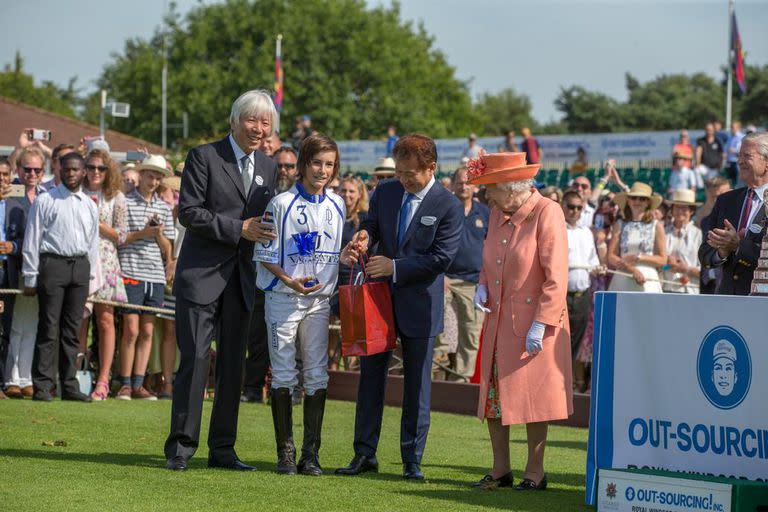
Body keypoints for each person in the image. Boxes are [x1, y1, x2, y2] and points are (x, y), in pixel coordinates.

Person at [336, 134, 463, 481]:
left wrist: (395, 267)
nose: (404, 180)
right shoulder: (386, 192)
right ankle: (364, 453)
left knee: (417, 387)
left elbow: (442, 258)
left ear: (431, 168)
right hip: (378, 303)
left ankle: (412, 459)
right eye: (400, 172)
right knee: (370, 380)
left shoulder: (448, 205)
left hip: (420, 305)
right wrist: (363, 236)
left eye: (411, 174)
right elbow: (373, 226)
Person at [165, 90, 278, 472]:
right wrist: (239, 229)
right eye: (252, 121)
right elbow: (189, 213)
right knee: (195, 362)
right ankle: (181, 448)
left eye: (265, 123)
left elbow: (267, 221)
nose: (258, 129)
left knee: (233, 367)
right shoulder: (204, 156)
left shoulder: (269, 166)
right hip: (201, 277)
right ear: (234, 120)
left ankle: (223, 449)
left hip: (243, 280)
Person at [467, 151, 572, 491]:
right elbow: (489, 256)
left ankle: (535, 472)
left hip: (534, 325)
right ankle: (500, 470)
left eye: (491, 189)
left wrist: (542, 323)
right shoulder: (499, 211)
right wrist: (482, 284)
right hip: (500, 321)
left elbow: (557, 277)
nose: (487, 197)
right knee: (495, 398)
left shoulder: (548, 211)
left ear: (511, 187)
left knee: (535, 401)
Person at [254, 133, 345, 476]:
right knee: (284, 374)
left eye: (330, 165)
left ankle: (311, 455)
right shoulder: (280, 204)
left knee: (317, 373)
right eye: (317, 163)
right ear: (304, 164)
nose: (323, 171)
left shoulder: (338, 204)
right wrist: (291, 281)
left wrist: (349, 253)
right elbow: (263, 254)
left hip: (320, 302)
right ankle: (285, 453)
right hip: (283, 298)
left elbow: (334, 254)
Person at [22, 152, 99, 402]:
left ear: (84, 172)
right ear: (59, 171)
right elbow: (32, 239)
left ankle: (69, 385)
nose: (71, 173)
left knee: (72, 331)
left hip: (80, 267)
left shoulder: (89, 204)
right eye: (67, 169)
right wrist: (30, 277)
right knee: (49, 328)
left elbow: (93, 244)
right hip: (52, 265)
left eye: (76, 169)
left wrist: (92, 279)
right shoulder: (46, 201)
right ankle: (43, 386)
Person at [115, 155, 175, 401]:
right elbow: (120, 238)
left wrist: (157, 235)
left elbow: (168, 249)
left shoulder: (163, 207)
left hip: (155, 275)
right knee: (130, 330)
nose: (154, 181)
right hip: (130, 270)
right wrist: (144, 233)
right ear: (141, 175)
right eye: (150, 175)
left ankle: (139, 384)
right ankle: (125, 384)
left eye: (158, 177)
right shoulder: (125, 202)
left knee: (148, 331)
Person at [79, 149, 128, 400]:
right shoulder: (77, 192)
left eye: (101, 168)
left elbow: (122, 235)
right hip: (80, 260)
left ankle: (103, 379)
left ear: (109, 171)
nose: (96, 172)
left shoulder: (115, 197)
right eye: (91, 166)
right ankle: (74, 374)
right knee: (79, 320)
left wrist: (96, 223)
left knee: (105, 320)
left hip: (107, 260)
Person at [433, 166, 489, 382]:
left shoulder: (485, 212)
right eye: (460, 182)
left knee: (471, 332)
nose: (464, 186)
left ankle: (462, 381)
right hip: (443, 278)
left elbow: (493, 247)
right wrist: (440, 274)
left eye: (468, 182)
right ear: (454, 184)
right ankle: (439, 367)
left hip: (473, 282)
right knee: (435, 324)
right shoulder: (443, 209)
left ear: (475, 185)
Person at [699, 132, 768, 296]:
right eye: (739, 156)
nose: (739, 161)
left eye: (747, 156)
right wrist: (722, 251)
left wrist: (738, 246)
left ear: (766, 163)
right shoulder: (726, 201)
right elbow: (704, 255)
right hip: (727, 300)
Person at [4, 147, 47, 399]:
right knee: (16, 325)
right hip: (15, 267)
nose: (32, 173)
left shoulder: (47, 195)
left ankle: (26, 378)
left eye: (37, 169)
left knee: (32, 325)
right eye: (27, 169)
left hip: (40, 270)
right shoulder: (9, 195)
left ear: (43, 172)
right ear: (18, 169)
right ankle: (11, 378)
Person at [329, 176, 368, 370]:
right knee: (332, 329)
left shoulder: (365, 219)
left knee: (350, 330)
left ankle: (351, 374)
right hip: (331, 276)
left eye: (351, 191)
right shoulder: (332, 215)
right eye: (343, 190)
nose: (347, 195)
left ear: (359, 194)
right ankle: (332, 372)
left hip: (353, 277)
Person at [561, 190, 599, 393]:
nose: (575, 211)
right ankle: (557, 385)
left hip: (582, 295)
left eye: (579, 208)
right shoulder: (557, 230)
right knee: (558, 343)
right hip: (561, 295)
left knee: (575, 343)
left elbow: (593, 260)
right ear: (563, 206)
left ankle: (565, 385)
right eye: (571, 207)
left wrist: (597, 267)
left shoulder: (586, 232)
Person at [607, 182, 667, 293]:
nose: (637, 201)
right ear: (628, 200)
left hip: (648, 280)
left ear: (648, 202)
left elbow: (663, 259)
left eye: (642, 199)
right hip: (622, 277)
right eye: (634, 198)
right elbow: (611, 256)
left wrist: (638, 257)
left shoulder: (656, 225)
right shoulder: (619, 224)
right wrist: (631, 269)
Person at [662, 190, 702, 294]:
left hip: (689, 289)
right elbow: (657, 260)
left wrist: (686, 269)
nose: (680, 211)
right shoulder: (663, 232)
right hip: (663, 287)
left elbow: (707, 269)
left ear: (691, 211)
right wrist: (666, 261)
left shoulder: (698, 234)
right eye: (677, 207)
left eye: (684, 208)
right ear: (672, 209)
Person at [724, 121, 745, 186]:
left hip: (738, 162)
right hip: (730, 162)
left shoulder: (742, 137)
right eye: (731, 127)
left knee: (739, 180)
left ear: (738, 128)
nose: (732, 129)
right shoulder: (730, 137)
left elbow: (743, 150)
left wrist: (734, 151)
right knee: (731, 180)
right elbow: (726, 148)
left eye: (733, 127)